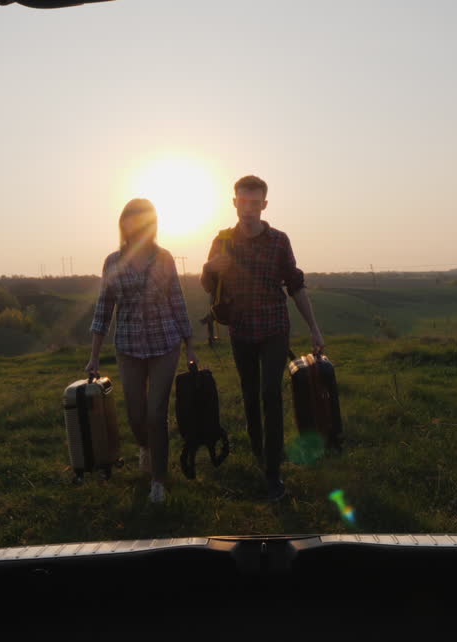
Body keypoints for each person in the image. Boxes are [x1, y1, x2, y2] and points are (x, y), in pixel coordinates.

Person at [201, 175, 326, 501]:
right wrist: (211, 267)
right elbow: (206, 284)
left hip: (273, 328)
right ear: (234, 203)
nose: (248, 208)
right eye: (243, 201)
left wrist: (313, 327)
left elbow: (295, 285)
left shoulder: (279, 241)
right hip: (240, 330)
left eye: (255, 203)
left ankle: (273, 472)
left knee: (271, 393)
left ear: (264, 205)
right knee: (249, 395)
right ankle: (260, 450)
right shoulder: (222, 240)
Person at [88, 198, 198, 503]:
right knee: (136, 415)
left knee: (156, 413)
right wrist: (94, 356)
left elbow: (177, 301)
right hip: (128, 345)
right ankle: (146, 448)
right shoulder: (113, 262)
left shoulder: (164, 258)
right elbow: (103, 309)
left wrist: (190, 345)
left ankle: (158, 481)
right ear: (123, 223)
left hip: (165, 342)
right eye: (130, 219)